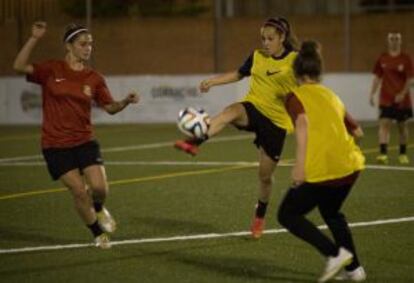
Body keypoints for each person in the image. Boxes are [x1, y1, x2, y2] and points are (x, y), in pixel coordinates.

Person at [13, 22, 139, 249]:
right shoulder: (51, 69)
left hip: (84, 140)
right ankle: (97, 232)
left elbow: (109, 107)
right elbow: (19, 65)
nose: (88, 48)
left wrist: (125, 102)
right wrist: (34, 38)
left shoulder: (94, 78)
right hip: (55, 144)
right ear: (68, 46)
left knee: (100, 189)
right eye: (83, 44)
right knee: (80, 192)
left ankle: (99, 209)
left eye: (90, 44)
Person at [175, 17, 299, 238]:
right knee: (230, 111)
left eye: (270, 39)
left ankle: (259, 215)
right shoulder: (257, 56)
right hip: (252, 107)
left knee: (264, 176)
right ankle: (195, 141)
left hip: (277, 124)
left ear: (282, 38)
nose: (266, 43)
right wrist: (212, 81)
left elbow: (308, 88)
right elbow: (238, 74)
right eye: (263, 38)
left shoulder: (295, 61)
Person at [277, 40, 366, 282]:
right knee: (332, 213)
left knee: (287, 215)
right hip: (351, 167)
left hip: (324, 171)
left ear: (295, 73)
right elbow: (358, 132)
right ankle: (354, 270)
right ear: (319, 72)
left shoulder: (294, 97)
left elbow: (303, 124)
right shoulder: (332, 96)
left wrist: (299, 167)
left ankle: (335, 254)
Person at [369, 32, 414, 164]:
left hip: (402, 101)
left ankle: (402, 154)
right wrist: (372, 93)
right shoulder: (382, 58)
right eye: (391, 39)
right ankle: (383, 155)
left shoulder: (406, 59)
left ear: (400, 41)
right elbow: (377, 77)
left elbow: (410, 79)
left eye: (396, 39)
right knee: (384, 125)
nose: (394, 41)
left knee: (402, 127)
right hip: (385, 98)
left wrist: (402, 93)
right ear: (388, 41)